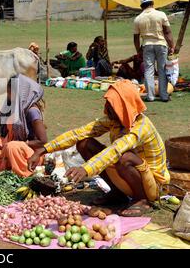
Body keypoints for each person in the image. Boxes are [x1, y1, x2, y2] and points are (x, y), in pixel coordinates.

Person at [28, 80, 169, 217]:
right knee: (84, 144)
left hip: (152, 185)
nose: (106, 107)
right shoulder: (115, 121)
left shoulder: (140, 128)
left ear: (123, 106)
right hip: (127, 173)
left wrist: (86, 169)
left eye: (111, 104)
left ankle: (142, 200)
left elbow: (115, 150)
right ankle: (117, 193)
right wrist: (44, 150)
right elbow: (79, 133)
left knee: (125, 157)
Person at [0, 74, 48, 184]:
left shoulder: (32, 111)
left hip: (28, 153)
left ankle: (23, 178)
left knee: (12, 146)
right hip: (8, 144)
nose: (9, 96)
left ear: (21, 93)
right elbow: (6, 127)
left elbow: (43, 141)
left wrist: (20, 144)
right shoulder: (14, 106)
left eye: (10, 93)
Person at [134, 0, 175, 102]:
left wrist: (138, 50)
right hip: (161, 44)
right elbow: (167, 32)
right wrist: (172, 46)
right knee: (162, 69)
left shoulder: (138, 19)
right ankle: (164, 96)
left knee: (149, 71)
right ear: (152, 3)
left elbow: (136, 37)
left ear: (141, 6)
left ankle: (150, 96)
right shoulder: (161, 14)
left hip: (147, 45)